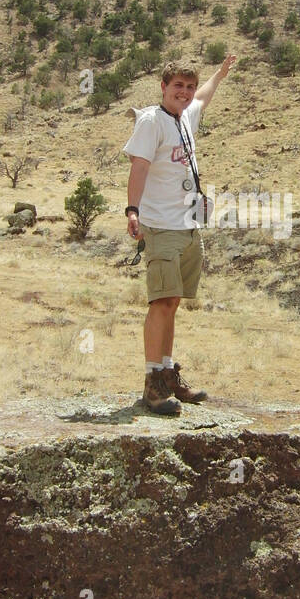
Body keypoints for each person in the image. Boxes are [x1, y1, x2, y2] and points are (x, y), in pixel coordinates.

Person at [123, 56, 236, 414]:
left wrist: (218, 75)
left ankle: (167, 373)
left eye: (188, 87)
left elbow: (203, 98)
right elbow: (139, 168)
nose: (185, 93)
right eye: (178, 87)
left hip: (188, 225)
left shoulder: (185, 117)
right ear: (163, 87)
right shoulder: (151, 121)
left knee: (172, 301)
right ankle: (152, 385)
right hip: (161, 225)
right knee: (161, 302)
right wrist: (132, 210)